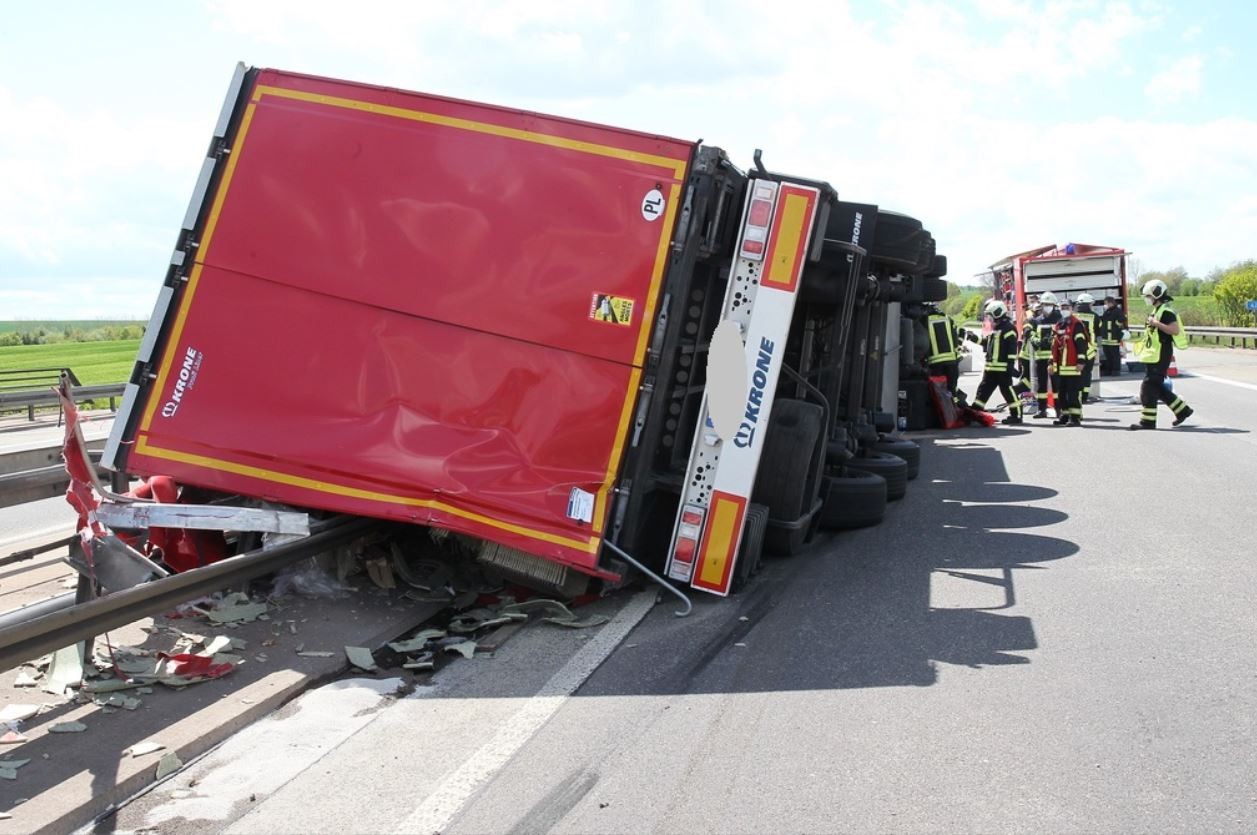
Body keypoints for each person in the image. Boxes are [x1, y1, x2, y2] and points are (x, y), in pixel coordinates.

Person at [1128, 279, 1194, 430]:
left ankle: (1147, 422)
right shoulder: (1157, 311)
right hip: (1153, 355)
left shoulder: (1166, 312)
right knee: (1156, 387)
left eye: (1148, 296)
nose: (1147, 299)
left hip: (1161, 355)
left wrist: (1156, 323)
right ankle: (1183, 410)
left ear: (1156, 294)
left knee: (1148, 387)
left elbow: (1174, 330)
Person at [966, 300, 1025, 424]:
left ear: (998, 313)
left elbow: (1012, 347)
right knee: (983, 391)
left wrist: (1010, 365)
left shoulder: (1009, 328)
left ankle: (1016, 415)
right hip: (990, 369)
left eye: (990, 315)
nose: (988, 318)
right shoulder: (994, 328)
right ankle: (975, 412)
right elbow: (986, 344)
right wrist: (973, 338)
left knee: (1007, 392)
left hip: (1002, 369)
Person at [1050, 300, 1091, 426]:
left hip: (1073, 366)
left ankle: (1075, 417)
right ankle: (1065, 415)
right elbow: (1054, 346)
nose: (1064, 309)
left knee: (1073, 393)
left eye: (1066, 307)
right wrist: (1050, 362)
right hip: (1061, 367)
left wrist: (1081, 361)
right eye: (1062, 307)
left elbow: (1081, 344)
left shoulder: (1076, 324)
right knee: (1062, 393)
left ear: (1072, 308)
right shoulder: (1059, 325)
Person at [1027, 291, 1062, 418]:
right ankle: (1042, 409)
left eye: (1049, 304)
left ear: (1054, 305)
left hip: (1055, 358)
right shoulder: (1036, 321)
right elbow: (1032, 336)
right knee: (1041, 386)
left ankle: (1059, 409)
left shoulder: (1059, 319)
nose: (1046, 306)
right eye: (1044, 304)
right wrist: (1037, 342)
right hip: (1040, 358)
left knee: (1057, 385)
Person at [923, 303, 962, 400]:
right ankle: (955, 409)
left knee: (938, 392)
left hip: (935, 363)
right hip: (951, 362)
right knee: (952, 390)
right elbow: (955, 340)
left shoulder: (924, 320)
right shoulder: (948, 319)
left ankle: (942, 412)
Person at [1073, 293, 1099, 402]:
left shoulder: (1073, 316)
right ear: (1088, 304)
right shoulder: (1095, 316)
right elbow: (1098, 332)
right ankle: (1084, 397)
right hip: (1090, 350)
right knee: (1087, 374)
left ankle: (1076, 396)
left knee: (1076, 374)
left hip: (1075, 350)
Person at [1097, 292, 1127, 376]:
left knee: (1115, 356)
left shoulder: (1117, 311)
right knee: (1108, 356)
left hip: (1113, 338)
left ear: (1111, 303)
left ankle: (1116, 370)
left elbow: (1122, 320)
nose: (1105, 305)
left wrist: (1116, 325)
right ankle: (1109, 370)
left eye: (1106, 303)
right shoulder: (1107, 311)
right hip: (1106, 339)